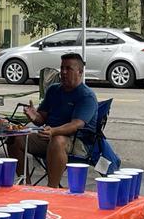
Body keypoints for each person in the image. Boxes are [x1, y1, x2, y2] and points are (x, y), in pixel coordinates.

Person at [6, 53, 97, 188]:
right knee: (14, 138)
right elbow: (42, 118)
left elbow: (76, 125)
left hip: (77, 140)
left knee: (58, 140)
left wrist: (53, 131)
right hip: (49, 134)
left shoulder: (86, 96)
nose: (63, 72)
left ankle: (52, 188)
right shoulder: (54, 90)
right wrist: (34, 116)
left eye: (68, 68)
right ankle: (25, 184)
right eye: (62, 68)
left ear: (80, 72)